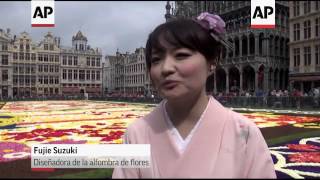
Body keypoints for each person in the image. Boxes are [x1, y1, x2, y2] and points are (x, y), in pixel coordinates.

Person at [112, 12, 276, 178]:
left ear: (212, 62)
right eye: (156, 60)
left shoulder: (245, 134)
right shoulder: (136, 134)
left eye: (181, 55)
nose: (166, 68)